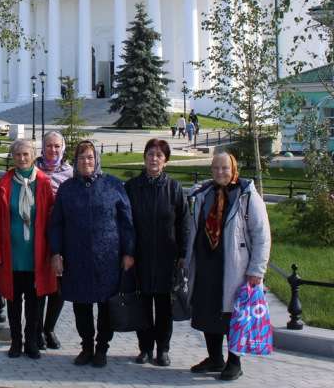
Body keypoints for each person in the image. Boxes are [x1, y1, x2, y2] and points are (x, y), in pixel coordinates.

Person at [184, 151, 270, 381]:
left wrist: (256, 270)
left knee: (234, 315)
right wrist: (188, 260)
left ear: (234, 169)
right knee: (208, 311)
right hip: (206, 264)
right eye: (215, 168)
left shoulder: (246, 195)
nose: (220, 172)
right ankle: (214, 358)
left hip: (235, 266)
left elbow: (261, 235)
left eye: (225, 168)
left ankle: (234, 362)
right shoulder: (205, 193)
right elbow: (195, 228)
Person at [48, 140, 135, 368]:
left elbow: (126, 222)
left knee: (106, 304)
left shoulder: (113, 185)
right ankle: (86, 346)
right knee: (81, 305)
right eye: (81, 158)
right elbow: (56, 223)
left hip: (108, 257)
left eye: (90, 157)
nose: (86, 162)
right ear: (75, 161)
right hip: (77, 258)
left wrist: (128, 252)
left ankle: (102, 348)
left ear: (97, 160)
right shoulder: (68, 188)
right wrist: (56, 253)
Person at [124, 139, 190, 367]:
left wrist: (183, 254)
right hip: (139, 257)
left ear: (166, 162)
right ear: (144, 157)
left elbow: (185, 223)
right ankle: (144, 348)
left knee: (164, 306)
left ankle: (163, 349)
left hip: (166, 257)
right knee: (142, 305)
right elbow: (125, 223)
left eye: (159, 155)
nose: (154, 159)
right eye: (150, 154)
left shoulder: (174, 188)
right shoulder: (132, 187)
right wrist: (127, 252)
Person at [0, 138, 57, 359]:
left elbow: (50, 221)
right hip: (12, 253)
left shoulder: (44, 183)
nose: (21, 158)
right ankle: (15, 341)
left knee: (34, 300)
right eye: (18, 155)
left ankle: (31, 341)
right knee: (12, 299)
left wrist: (51, 251)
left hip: (36, 254)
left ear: (33, 155)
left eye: (26, 154)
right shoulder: (6, 183)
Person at [32, 130, 73, 350]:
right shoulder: (34, 170)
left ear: (63, 149)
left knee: (58, 285)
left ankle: (50, 328)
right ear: (42, 147)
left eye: (57, 146)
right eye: (49, 146)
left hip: (62, 237)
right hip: (37, 235)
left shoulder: (70, 174)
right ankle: (36, 329)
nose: (53, 150)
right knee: (39, 284)